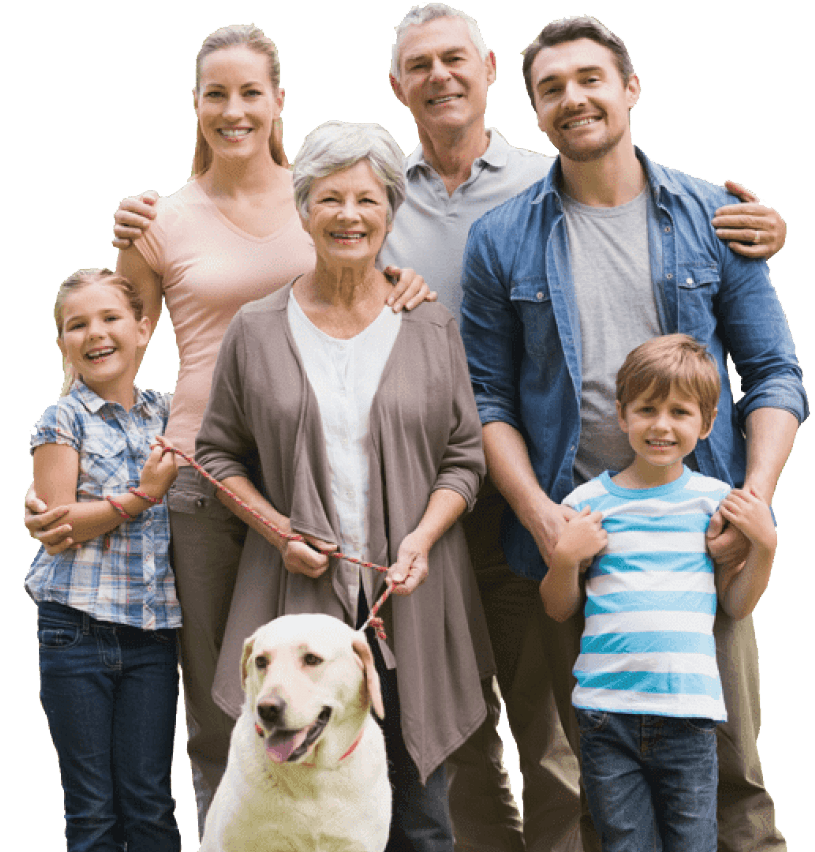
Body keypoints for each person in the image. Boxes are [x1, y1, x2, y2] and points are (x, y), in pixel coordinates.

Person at [100, 8, 788, 851]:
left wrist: (749, 502)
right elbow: (130, 333)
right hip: (453, 502)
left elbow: (768, 369)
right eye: (418, 65)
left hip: (621, 513)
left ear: (494, 71)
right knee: (410, 729)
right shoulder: (373, 205)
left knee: (662, 742)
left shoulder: (560, 187)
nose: (439, 77)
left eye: (455, 59)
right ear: (396, 88)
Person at [22, 23, 429, 834]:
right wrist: (59, 461)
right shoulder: (156, 220)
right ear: (196, 104)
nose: (233, 110)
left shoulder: (322, 196)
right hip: (202, 484)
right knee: (221, 697)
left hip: (315, 474)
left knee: (325, 680)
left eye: (251, 92)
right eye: (216, 93)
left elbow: (367, 275)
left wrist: (405, 278)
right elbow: (113, 348)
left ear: (280, 100)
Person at [460, 14, 807, 852]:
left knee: (733, 782)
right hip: (578, 549)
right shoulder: (501, 240)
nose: (572, 98)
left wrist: (748, 503)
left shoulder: (713, 219)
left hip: (697, 545)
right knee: (601, 783)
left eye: (589, 79)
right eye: (551, 88)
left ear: (629, 88)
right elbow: (488, 401)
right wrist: (546, 523)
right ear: (535, 109)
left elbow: (774, 374)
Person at [194, 119, 494, 852]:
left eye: (366, 199)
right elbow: (219, 455)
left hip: (410, 600)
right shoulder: (257, 329)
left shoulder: (428, 325)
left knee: (420, 814)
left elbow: (464, 455)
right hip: (294, 608)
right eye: (329, 199)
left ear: (391, 209)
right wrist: (279, 531)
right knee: (282, 801)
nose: (349, 216)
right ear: (302, 209)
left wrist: (422, 538)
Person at [540, 334, 778, 852]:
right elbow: (558, 608)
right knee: (626, 845)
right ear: (622, 415)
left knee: (693, 843)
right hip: (607, 718)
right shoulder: (587, 503)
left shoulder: (716, 503)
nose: (662, 425)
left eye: (680, 412)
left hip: (688, 717)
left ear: (707, 423)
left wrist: (766, 546)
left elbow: (735, 605)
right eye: (647, 409)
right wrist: (565, 556)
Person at [27, 267, 181, 852]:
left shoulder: (168, 414)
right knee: (92, 809)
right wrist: (141, 496)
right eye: (77, 325)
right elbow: (57, 527)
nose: (95, 333)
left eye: (110, 318)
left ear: (144, 329)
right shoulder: (61, 419)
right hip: (76, 631)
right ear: (63, 343)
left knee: (148, 800)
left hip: (152, 637)